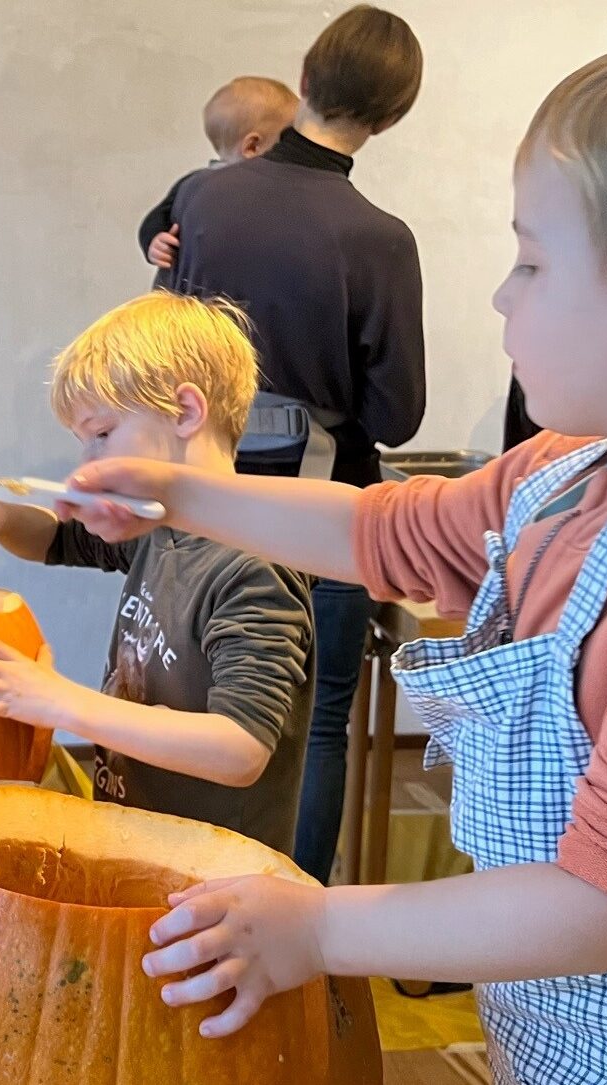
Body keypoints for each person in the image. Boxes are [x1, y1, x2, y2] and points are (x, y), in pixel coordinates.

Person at [68, 20, 607, 1082]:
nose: (501, 295)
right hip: (553, 1018)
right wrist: (176, 493)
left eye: (530, 259)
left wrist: (320, 928)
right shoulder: (563, 471)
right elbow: (374, 527)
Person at [166, 4, 426, 883]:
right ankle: (299, 931)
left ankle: (178, 899)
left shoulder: (202, 197)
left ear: (305, 80)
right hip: (324, 521)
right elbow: (397, 417)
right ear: (392, 117)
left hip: (200, 503)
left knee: (193, 705)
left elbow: (161, 336)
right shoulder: (380, 239)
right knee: (316, 722)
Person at [0, 292, 314, 853]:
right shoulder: (160, 529)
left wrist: (64, 701)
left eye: (102, 434)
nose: (87, 465)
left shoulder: (253, 568)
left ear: (185, 413)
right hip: (141, 846)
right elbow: (56, 537)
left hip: (215, 881)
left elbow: (240, 748)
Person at [137, 76, 298, 288]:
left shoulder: (281, 187)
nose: (297, 148)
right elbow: (156, 218)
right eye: (289, 140)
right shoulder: (195, 186)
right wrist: (155, 241)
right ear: (252, 146)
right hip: (189, 301)